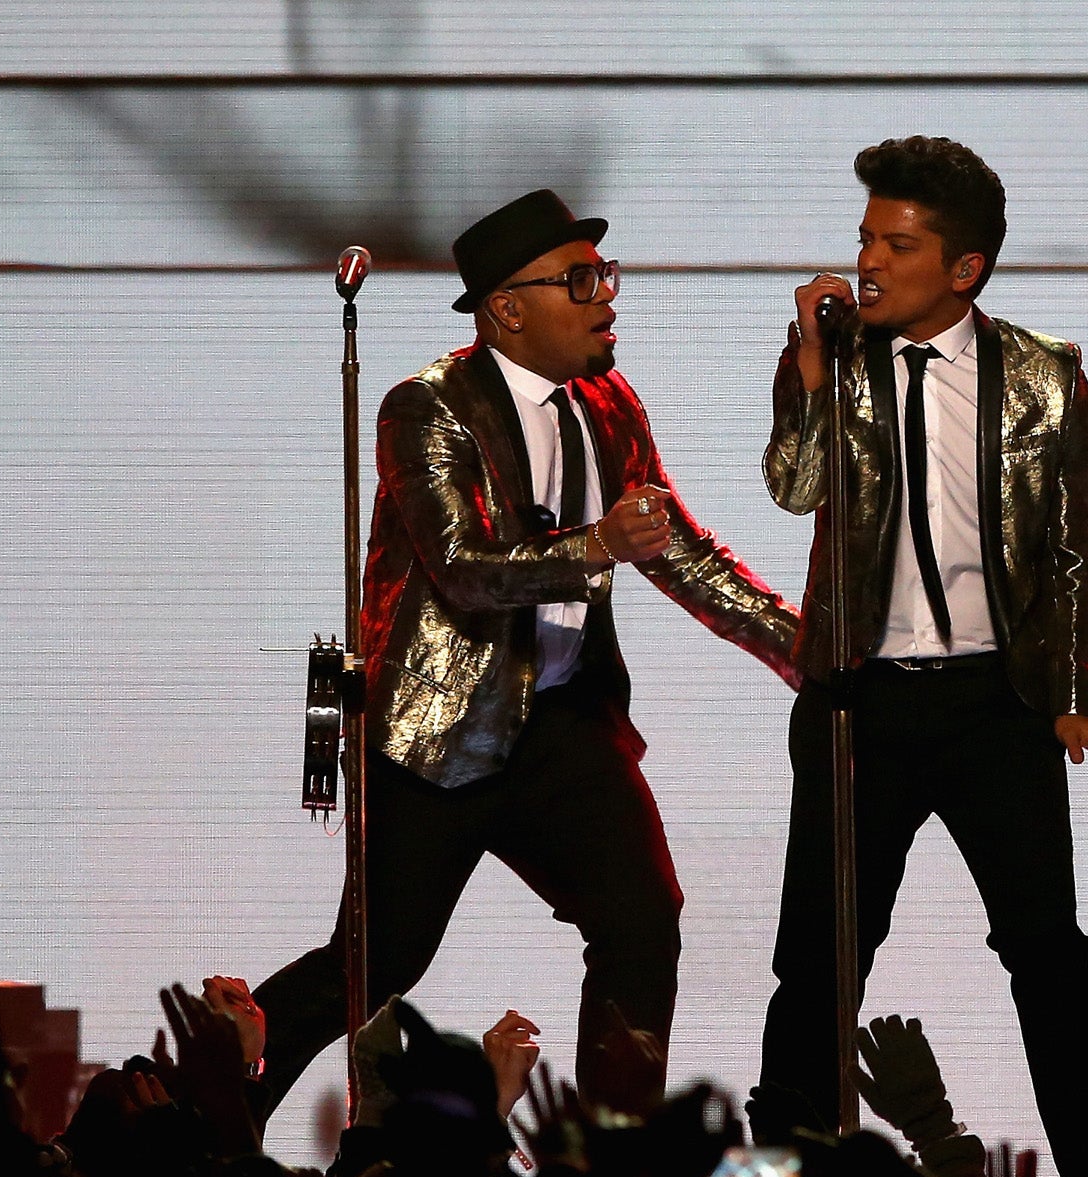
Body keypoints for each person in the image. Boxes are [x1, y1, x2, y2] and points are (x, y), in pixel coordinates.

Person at [248, 189, 799, 1121]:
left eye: (604, 276)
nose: (606, 297)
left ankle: (609, 1168)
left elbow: (676, 546)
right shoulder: (426, 408)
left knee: (639, 922)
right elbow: (462, 571)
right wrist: (593, 547)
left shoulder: (608, 402)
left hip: (563, 725)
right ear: (507, 309)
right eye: (581, 280)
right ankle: (198, 1106)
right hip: (439, 734)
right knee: (375, 964)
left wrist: (803, 648)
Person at [757, 137, 1088, 1177]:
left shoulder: (1042, 376)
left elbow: (1078, 548)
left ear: (963, 268)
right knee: (817, 964)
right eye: (864, 238)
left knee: (1046, 956)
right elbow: (793, 491)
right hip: (857, 700)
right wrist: (806, 370)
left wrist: (1072, 702)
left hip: (998, 704)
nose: (868, 261)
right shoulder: (833, 361)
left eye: (896, 242)